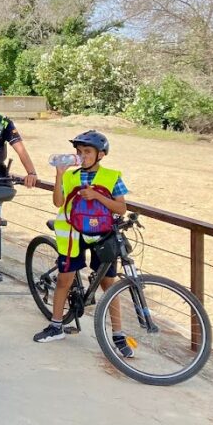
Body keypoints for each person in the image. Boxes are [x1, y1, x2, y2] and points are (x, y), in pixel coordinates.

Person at [33, 131, 131, 356]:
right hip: (72, 234)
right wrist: (59, 175)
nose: (82, 156)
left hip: (101, 234)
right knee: (64, 280)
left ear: (101, 155)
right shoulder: (71, 176)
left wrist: (97, 196)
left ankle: (118, 334)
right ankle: (56, 325)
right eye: (79, 151)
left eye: (87, 151)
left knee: (109, 284)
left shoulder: (112, 177)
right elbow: (58, 202)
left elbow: (121, 208)